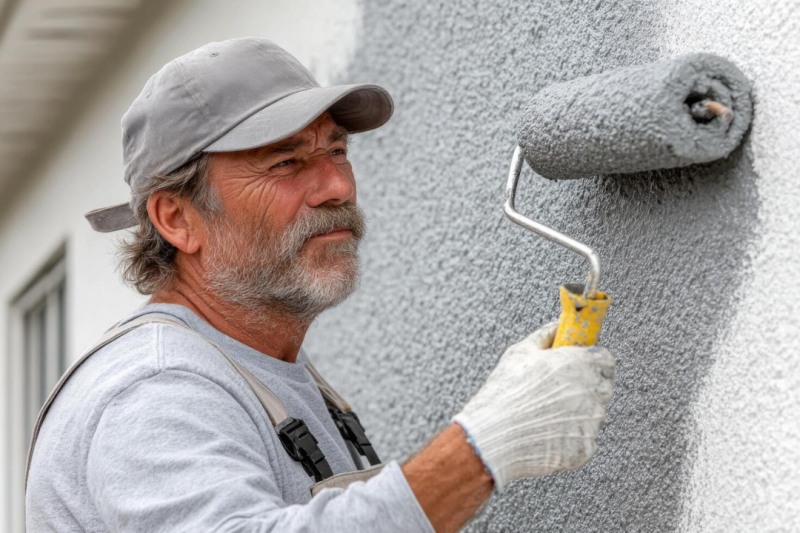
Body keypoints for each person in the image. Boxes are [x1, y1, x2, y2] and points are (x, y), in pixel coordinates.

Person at [26, 37, 615, 533]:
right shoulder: (155, 390)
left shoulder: (264, 367)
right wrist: (485, 445)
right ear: (177, 220)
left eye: (337, 149)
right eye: (285, 163)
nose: (336, 185)